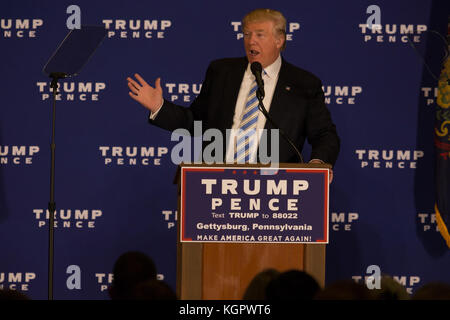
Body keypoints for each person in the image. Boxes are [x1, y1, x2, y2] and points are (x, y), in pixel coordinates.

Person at [127, 8, 339, 169]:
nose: (250, 41)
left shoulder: (304, 83)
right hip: (218, 181)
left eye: (259, 34)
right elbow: (196, 122)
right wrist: (159, 107)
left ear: (279, 40)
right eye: (246, 34)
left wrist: (318, 163)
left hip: (276, 186)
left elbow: (324, 134)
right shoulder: (222, 72)